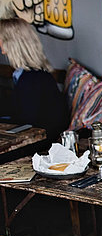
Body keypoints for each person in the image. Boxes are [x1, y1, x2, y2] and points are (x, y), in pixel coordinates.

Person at [0, 18, 68, 147]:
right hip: (33, 137)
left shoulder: (33, 79)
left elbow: (28, 121)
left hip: (41, 143)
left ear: (11, 43)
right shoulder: (28, 74)